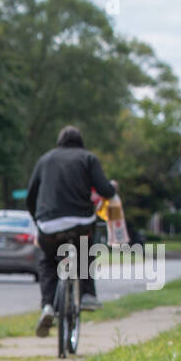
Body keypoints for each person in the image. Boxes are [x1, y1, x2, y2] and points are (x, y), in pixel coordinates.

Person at [25, 125, 117, 336]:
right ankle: (87, 295)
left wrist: (37, 219)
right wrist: (113, 187)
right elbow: (105, 190)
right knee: (84, 250)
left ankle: (48, 305)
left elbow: (31, 197)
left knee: (48, 261)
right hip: (80, 222)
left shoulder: (45, 160)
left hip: (48, 224)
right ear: (80, 142)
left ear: (59, 142)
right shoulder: (88, 158)